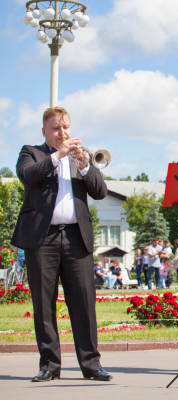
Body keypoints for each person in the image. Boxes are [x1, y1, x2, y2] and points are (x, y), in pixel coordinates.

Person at [11, 106, 112, 382]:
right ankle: (49, 365)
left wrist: (84, 164)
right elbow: (28, 175)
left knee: (83, 303)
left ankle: (91, 364)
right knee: (44, 304)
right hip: (42, 239)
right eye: (56, 128)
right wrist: (59, 155)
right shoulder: (32, 153)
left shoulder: (80, 158)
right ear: (45, 131)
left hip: (77, 239)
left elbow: (100, 191)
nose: (63, 132)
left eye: (66, 127)